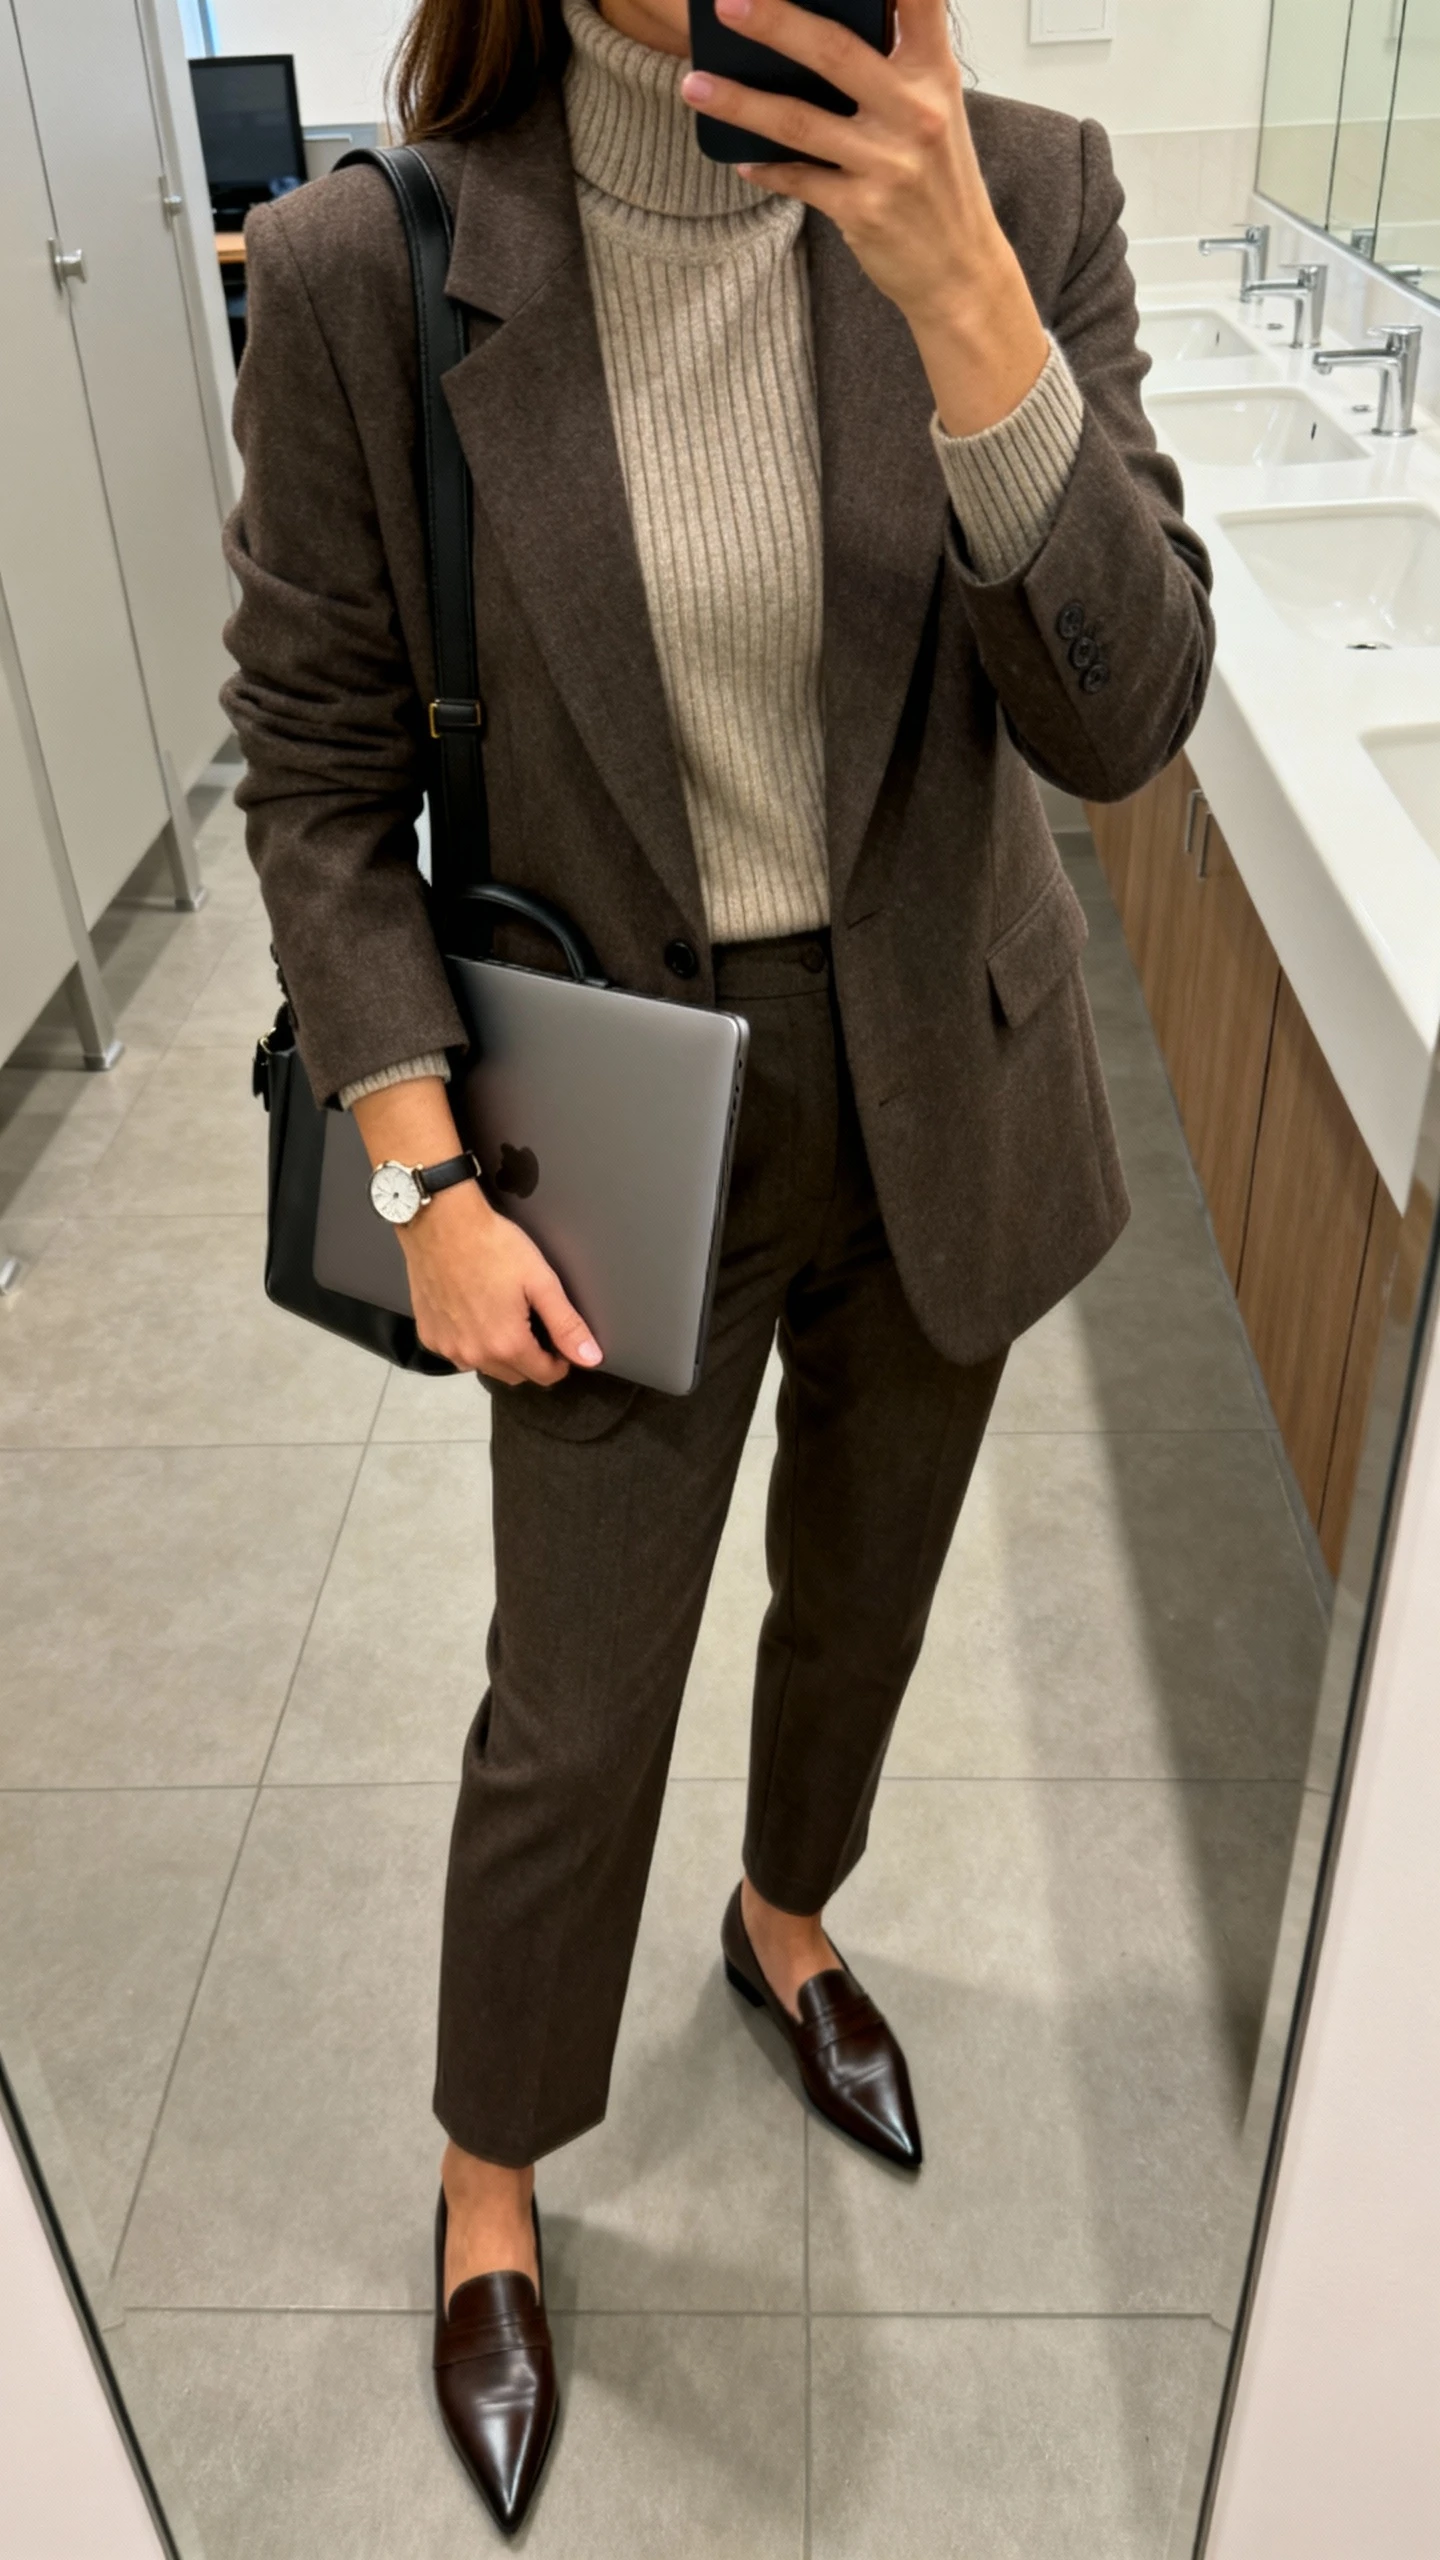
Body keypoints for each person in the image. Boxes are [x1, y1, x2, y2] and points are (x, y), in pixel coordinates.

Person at [222, 0, 1213, 2525]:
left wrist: (961, 290)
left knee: (860, 1598)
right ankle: (491, 2165)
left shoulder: (1026, 194)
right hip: (598, 1112)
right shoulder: (368, 268)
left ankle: (786, 1913)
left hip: (947, 1071)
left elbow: (1121, 722)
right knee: (571, 1710)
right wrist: (425, 1186)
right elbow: (319, 777)